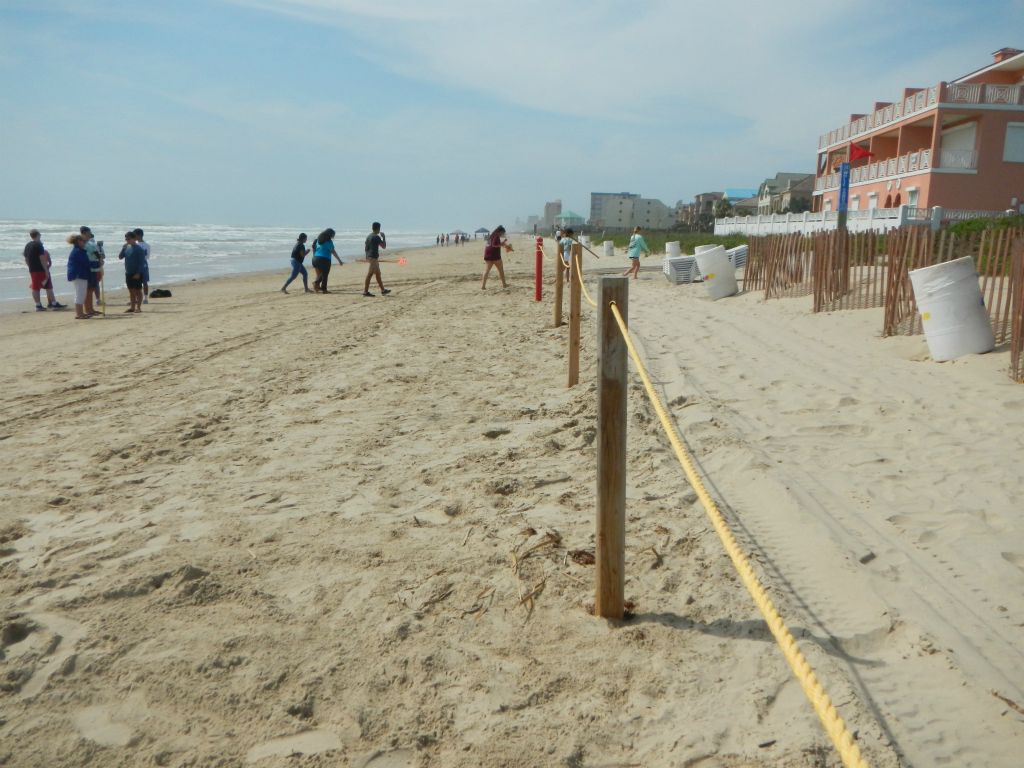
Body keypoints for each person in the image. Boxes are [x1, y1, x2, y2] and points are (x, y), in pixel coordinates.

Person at [23, 229, 65, 311]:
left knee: (40, 286)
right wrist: (46, 270)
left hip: (33, 269)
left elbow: (26, 258)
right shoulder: (39, 245)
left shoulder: (28, 245)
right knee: (42, 287)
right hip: (40, 269)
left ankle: (47, 304)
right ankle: (44, 305)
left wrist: (30, 267)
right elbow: (42, 259)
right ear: (38, 235)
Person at [66, 234, 92, 319]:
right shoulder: (78, 251)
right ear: (78, 241)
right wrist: (97, 263)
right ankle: (79, 313)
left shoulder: (78, 251)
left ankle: (80, 312)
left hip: (79, 274)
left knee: (81, 293)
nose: (85, 243)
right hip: (79, 274)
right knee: (80, 294)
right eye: (83, 241)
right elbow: (86, 262)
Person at [120, 230, 146, 313]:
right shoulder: (127, 247)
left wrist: (138, 273)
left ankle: (138, 307)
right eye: (126, 239)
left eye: (128, 239)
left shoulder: (139, 249)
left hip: (137, 273)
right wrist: (123, 248)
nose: (127, 241)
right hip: (128, 272)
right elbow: (120, 257)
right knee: (131, 290)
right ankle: (132, 307)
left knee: (138, 290)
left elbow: (141, 262)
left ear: (134, 239)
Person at [362, 222, 391, 297]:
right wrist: (384, 237)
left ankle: (383, 290)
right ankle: (365, 292)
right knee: (370, 274)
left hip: (370, 257)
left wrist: (367, 257)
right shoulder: (376, 237)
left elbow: (366, 248)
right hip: (373, 257)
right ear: (378, 228)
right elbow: (384, 246)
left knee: (378, 274)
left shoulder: (369, 236)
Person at [311, 228, 343, 293]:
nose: (333, 236)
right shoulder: (329, 242)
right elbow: (333, 252)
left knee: (322, 273)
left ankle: (317, 285)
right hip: (324, 259)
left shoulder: (318, 241)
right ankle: (322, 288)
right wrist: (339, 260)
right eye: (333, 235)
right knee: (325, 275)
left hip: (315, 258)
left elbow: (314, 248)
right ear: (330, 235)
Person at [81, 226, 104, 312]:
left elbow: (97, 254)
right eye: (88, 233)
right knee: (88, 290)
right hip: (88, 269)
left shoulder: (90, 244)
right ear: (83, 233)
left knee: (91, 289)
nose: (89, 235)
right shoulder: (82, 244)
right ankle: (88, 309)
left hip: (94, 268)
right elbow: (94, 254)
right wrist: (99, 258)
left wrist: (100, 259)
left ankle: (91, 309)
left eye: (90, 233)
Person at [481, 225, 512, 289]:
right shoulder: (496, 236)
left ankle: (483, 286)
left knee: (486, 271)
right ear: (499, 232)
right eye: (502, 233)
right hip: (495, 256)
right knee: (501, 270)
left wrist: (502, 243)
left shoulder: (491, 236)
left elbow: (494, 244)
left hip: (487, 255)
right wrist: (502, 244)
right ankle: (504, 285)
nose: (502, 234)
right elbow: (494, 245)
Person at [133, 228, 150, 303]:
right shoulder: (146, 245)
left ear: (139, 235)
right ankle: (141, 298)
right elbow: (147, 256)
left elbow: (147, 256)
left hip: (140, 264)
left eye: (135, 235)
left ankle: (144, 298)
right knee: (141, 282)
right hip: (142, 263)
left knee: (143, 282)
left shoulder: (138, 245)